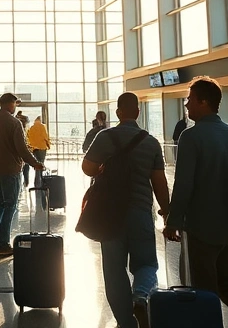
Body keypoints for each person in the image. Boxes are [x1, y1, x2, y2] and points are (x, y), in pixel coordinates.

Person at [83, 92, 171, 328]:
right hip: (141, 211)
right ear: (138, 112)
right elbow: (159, 182)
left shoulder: (105, 137)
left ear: (118, 112)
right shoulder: (151, 142)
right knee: (147, 264)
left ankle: (126, 322)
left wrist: (102, 168)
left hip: (110, 213)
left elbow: (87, 167)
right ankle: (141, 295)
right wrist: (166, 210)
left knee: (114, 270)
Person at [162, 76, 228, 313]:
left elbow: (184, 185)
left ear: (204, 102)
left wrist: (173, 221)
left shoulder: (191, 136)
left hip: (204, 228)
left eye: (190, 99)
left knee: (202, 291)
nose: (187, 105)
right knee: (226, 285)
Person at [0, 93, 45, 257]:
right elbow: (21, 149)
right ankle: (1, 241)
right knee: (10, 205)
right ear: (10, 104)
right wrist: (35, 163)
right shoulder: (14, 123)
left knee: (2, 203)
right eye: (15, 104)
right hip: (10, 170)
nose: (16, 107)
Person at [24, 116, 50, 197]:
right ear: (40, 120)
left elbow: (28, 137)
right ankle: (40, 182)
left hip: (34, 149)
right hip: (42, 148)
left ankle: (36, 182)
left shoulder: (31, 128)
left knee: (36, 164)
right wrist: (48, 145)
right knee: (41, 164)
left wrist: (31, 146)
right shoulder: (43, 126)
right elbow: (45, 137)